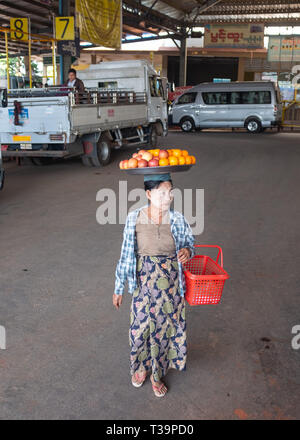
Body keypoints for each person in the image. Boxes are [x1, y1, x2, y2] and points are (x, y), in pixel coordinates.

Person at [113, 173, 195, 397]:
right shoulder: (134, 218)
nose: (167, 197)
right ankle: (140, 368)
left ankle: (157, 374)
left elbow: (190, 243)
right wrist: (118, 287)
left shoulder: (177, 219)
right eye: (162, 193)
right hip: (144, 283)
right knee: (139, 329)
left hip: (170, 285)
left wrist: (187, 251)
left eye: (170, 192)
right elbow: (126, 255)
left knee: (165, 330)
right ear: (149, 194)